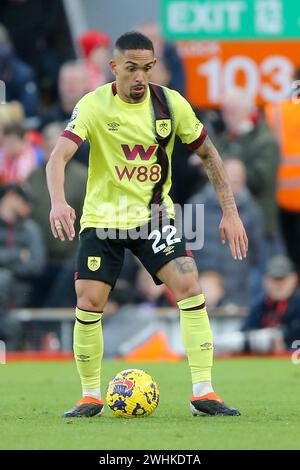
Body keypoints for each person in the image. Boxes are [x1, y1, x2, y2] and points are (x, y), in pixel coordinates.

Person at [46, 31, 248, 418]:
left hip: (154, 218)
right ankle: (90, 395)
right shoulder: (93, 105)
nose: (140, 77)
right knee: (89, 301)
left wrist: (231, 211)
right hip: (102, 220)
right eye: (131, 68)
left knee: (189, 285)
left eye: (147, 68)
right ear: (114, 67)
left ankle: (204, 391)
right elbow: (58, 157)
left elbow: (209, 154)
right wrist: (58, 203)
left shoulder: (171, 105)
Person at [214, 255, 300, 354]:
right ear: (265, 281)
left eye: (282, 279)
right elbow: (244, 334)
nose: (278, 284)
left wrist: (285, 346)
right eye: (274, 279)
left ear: (294, 279)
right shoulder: (260, 305)